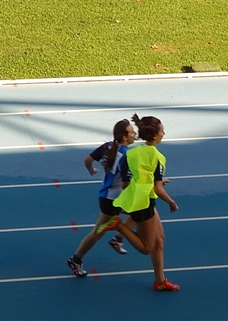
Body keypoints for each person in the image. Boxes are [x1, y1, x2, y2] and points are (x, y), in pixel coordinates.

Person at [98, 113, 180, 292]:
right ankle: (119, 226)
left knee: (159, 240)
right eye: (162, 131)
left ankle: (160, 280)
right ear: (155, 135)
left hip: (135, 197)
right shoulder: (158, 157)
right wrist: (171, 202)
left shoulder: (132, 152)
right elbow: (158, 189)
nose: (163, 134)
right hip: (144, 203)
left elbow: (126, 181)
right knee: (146, 247)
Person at [66, 119, 137, 277]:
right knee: (98, 232)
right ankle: (76, 259)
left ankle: (117, 239)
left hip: (107, 196)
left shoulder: (108, 146)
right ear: (125, 137)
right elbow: (126, 184)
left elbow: (87, 160)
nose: (135, 134)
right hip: (113, 199)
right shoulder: (126, 155)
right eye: (132, 132)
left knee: (139, 213)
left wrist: (91, 170)